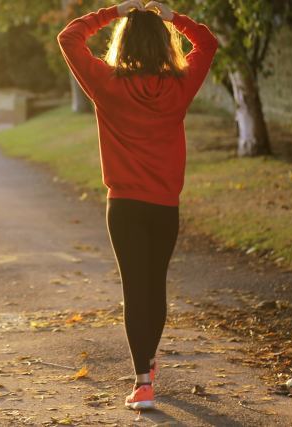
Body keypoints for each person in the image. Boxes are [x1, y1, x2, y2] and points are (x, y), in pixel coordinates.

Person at [57, 0, 219, 411]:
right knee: (155, 286)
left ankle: (143, 382)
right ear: (164, 45)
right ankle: (147, 364)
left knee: (135, 288)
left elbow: (69, 37)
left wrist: (113, 11)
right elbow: (208, 43)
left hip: (124, 206)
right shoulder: (180, 85)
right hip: (164, 206)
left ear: (123, 43)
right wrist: (174, 18)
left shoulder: (106, 83)